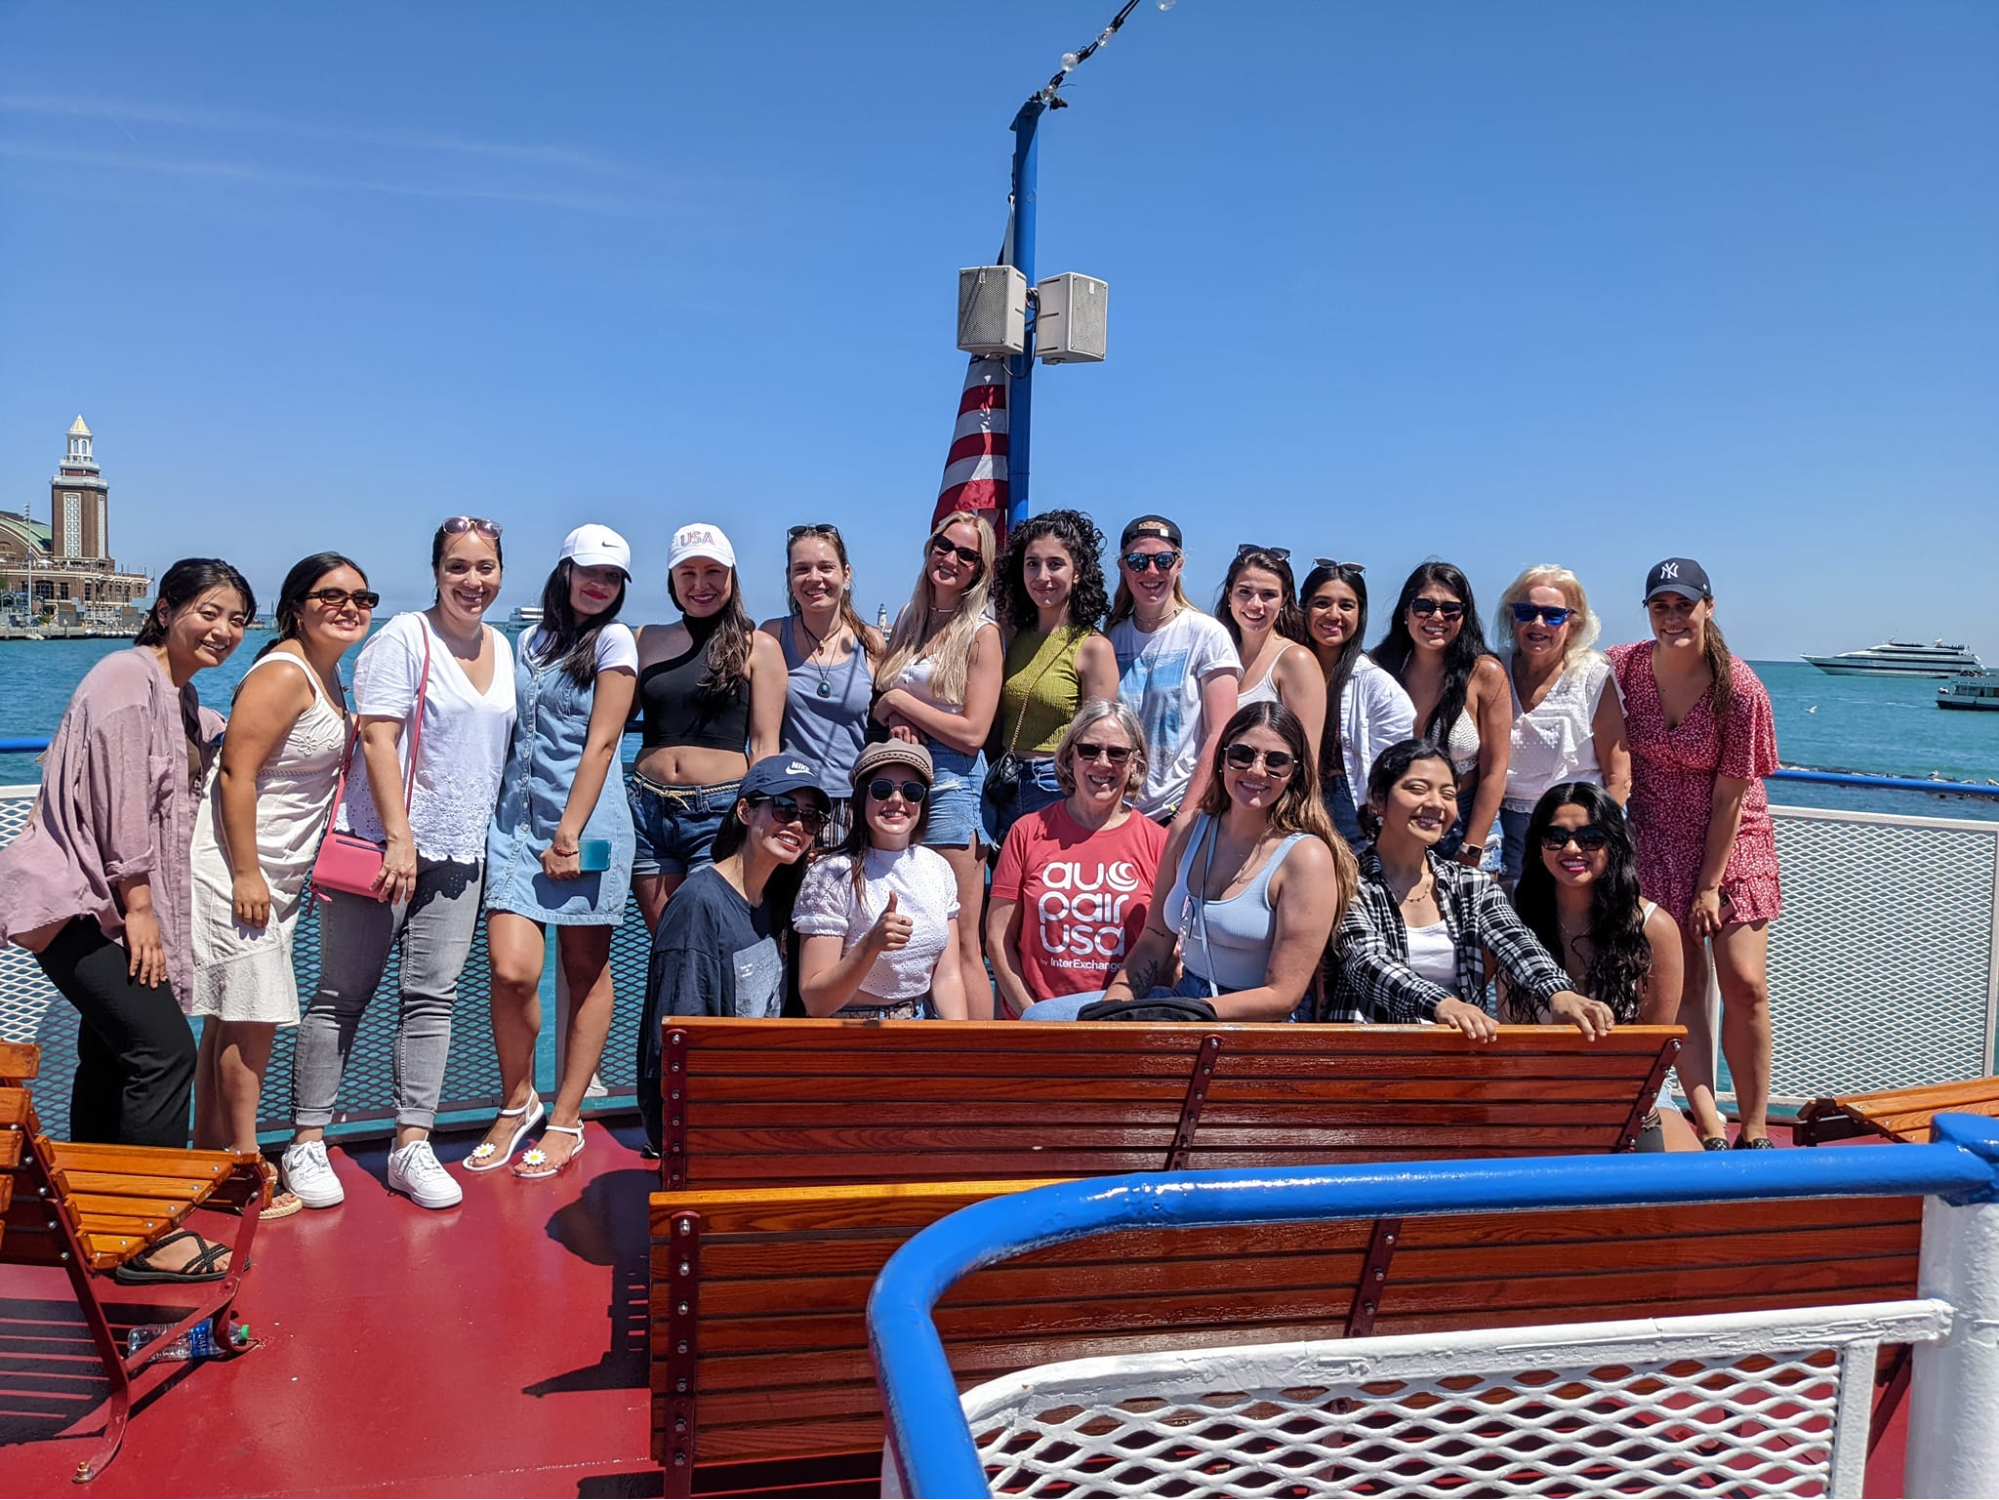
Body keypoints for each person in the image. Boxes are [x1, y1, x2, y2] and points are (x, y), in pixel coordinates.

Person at [0, 558, 250, 1280]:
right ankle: (151, 1233)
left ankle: (91, 1215)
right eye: (208, 611)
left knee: (111, 1055)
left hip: (103, 902)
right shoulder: (124, 676)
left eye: (236, 617)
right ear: (165, 609)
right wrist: (139, 909)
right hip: (83, 899)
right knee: (162, 1053)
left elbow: (215, 734)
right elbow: (119, 803)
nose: (223, 629)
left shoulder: (175, 695)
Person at [284, 517, 516, 1213]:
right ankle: (306, 1140)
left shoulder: (503, 648)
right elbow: (378, 740)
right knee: (341, 995)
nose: (472, 582)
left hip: (462, 850)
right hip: (385, 848)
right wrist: (400, 837)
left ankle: (411, 1142)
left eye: (485, 567)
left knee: (432, 1001)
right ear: (436, 572)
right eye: (457, 568)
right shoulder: (401, 640)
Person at [188, 553, 371, 1220]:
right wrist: (245, 873)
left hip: (279, 875)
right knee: (254, 1015)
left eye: (361, 596)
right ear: (297, 606)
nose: (350, 606)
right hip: (239, 871)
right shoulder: (284, 673)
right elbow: (235, 775)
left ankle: (209, 1157)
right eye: (332, 595)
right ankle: (243, 1168)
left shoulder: (329, 676)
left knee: (230, 1019)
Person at [471, 525, 638, 1181]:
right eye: (589, 571)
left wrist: (569, 831)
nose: (599, 585)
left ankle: (566, 1116)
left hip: (587, 827)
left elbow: (602, 743)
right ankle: (518, 1100)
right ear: (565, 571)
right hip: (515, 827)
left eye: (612, 577)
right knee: (510, 969)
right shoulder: (529, 641)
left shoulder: (615, 641)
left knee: (583, 969)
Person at [1024, 702, 1353, 1022]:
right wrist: (1113, 1008)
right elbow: (1155, 938)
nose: (1256, 770)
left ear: (1294, 772)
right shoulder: (1187, 830)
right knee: (1040, 1020)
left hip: (1255, 1022)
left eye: (1276, 761)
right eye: (1242, 755)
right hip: (1184, 1003)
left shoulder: (1306, 857)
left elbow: (1283, 996)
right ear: (1222, 758)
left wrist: (1189, 1013)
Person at [1608, 558, 1782, 1151]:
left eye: (1684, 604)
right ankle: (1709, 1119)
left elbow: (1733, 798)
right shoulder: (1625, 667)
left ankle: (1754, 1127)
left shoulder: (1740, 688)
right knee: (1684, 988)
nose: (1673, 616)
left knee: (1744, 982)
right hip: (1656, 838)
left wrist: (1709, 887)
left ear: (1708, 606)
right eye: (1661, 606)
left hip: (1733, 841)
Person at [1327, 739, 1614, 1040]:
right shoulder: (1346, 880)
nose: (1436, 803)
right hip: (1371, 1054)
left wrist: (1558, 992)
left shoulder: (1470, 883)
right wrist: (1442, 1003)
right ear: (1378, 799)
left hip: (1458, 1056)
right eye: (1417, 789)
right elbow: (1366, 962)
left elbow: (1515, 941)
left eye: (1447, 793)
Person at [637, 755, 828, 1152]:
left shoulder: (777, 900)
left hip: (760, 1105)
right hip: (713, 1125)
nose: (797, 824)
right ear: (745, 810)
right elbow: (679, 1047)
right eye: (784, 808)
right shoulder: (698, 906)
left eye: (810, 818)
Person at [1507, 783, 1692, 1151]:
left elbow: (1651, 1049)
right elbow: (1511, 1031)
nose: (1572, 849)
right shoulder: (1513, 916)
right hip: (1535, 1090)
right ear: (1538, 845)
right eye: (1555, 837)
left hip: (1630, 1094)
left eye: (1590, 838)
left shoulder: (1653, 927)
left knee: (1693, 1188)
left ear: (1614, 844)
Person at [871, 510, 1001, 1006]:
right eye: (944, 546)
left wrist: (903, 705)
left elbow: (972, 733)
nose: (951, 559)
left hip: (951, 785)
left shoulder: (981, 634)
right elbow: (886, 695)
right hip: (901, 780)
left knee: (962, 939)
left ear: (979, 569)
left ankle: (979, 1063)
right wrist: (897, 721)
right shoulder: (909, 618)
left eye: (966, 554)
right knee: (917, 928)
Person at [630, 522, 785, 931]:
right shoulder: (642, 640)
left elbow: (765, 746)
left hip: (719, 811)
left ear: (732, 575)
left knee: (709, 933)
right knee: (665, 938)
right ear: (672, 580)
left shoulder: (759, 647)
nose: (701, 584)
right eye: (688, 573)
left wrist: (754, 820)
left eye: (713, 572)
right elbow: (608, 724)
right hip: (646, 809)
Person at [988, 699, 1167, 1018]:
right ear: (1069, 756)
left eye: (1117, 753)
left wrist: (1120, 1015)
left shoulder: (1158, 842)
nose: (1102, 763)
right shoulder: (1028, 832)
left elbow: (1167, 950)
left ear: (1135, 764)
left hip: (1123, 1020)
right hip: (1038, 1019)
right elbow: (998, 942)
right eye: (1089, 750)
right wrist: (1034, 1016)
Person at [795, 742, 969, 1020]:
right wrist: (870, 944)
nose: (897, 801)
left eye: (912, 791)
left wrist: (957, 1048)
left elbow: (947, 977)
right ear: (862, 796)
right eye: (882, 789)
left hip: (921, 1021)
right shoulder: (829, 874)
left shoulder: (938, 868)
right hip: (850, 1030)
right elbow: (816, 1002)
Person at [987, 509, 1119, 847]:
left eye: (1055, 564)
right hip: (1002, 783)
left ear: (1077, 573)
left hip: (1056, 787)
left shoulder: (1093, 648)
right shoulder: (1011, 636)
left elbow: (1099, 742)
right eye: (1032, 564)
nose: (1042, 576)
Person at [1493, 565, 1631, 884]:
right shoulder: (1495, 670)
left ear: (1573, 622)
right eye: (1526, 611)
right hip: (1510, 828)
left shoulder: (1592, 676)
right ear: (1512, 617)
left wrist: (1596, 837)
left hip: (1581, 828)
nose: (1538, 623)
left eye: (1553, 615)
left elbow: (1618, 774)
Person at [1370, 562, 1510, 865]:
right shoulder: (1378, 667)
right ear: (1405, 611)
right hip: (1393, 820)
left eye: (1450, 609)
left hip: (1464, 820)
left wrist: (1474, 844)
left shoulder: (1484, 673)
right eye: (1424, 606)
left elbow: (1495, 770)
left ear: (1464, 616)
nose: (1436, 617)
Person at [1107, 515, 1241, 825]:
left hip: (1180, 811)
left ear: (1178, 565)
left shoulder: (1207, 634)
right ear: (1123, 567)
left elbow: (1220, 733)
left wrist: (1185, 815)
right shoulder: (1111, 637)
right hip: (1118, 811)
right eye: (1138, 561)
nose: (1151, 571)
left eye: (1163, 560)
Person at [759, 522, 882, 847]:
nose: (814, 578)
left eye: (825, 567)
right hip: (790, 801)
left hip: (852, 801)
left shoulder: (871, 642)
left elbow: (891, 699)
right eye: (802, 569)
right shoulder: (771, 636)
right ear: (789, 578)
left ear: (846, 573)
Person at [1299, 559, 1412, 847]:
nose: (1333, 614)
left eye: (1346, 605)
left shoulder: (1375, 683)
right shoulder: (1283, 670)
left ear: (1361, 614)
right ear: (1303, 607)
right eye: (1322, 603)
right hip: (1288, 802)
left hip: (1349, 811)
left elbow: (1395, 764)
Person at [1216, 545, 1327, 769]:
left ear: (1284, 600)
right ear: (1230, 594)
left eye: (1268, 595)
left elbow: (1307, 759)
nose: (1255, 604)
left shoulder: (1296, 660)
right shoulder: (1218, 654)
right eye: (1245, 592)